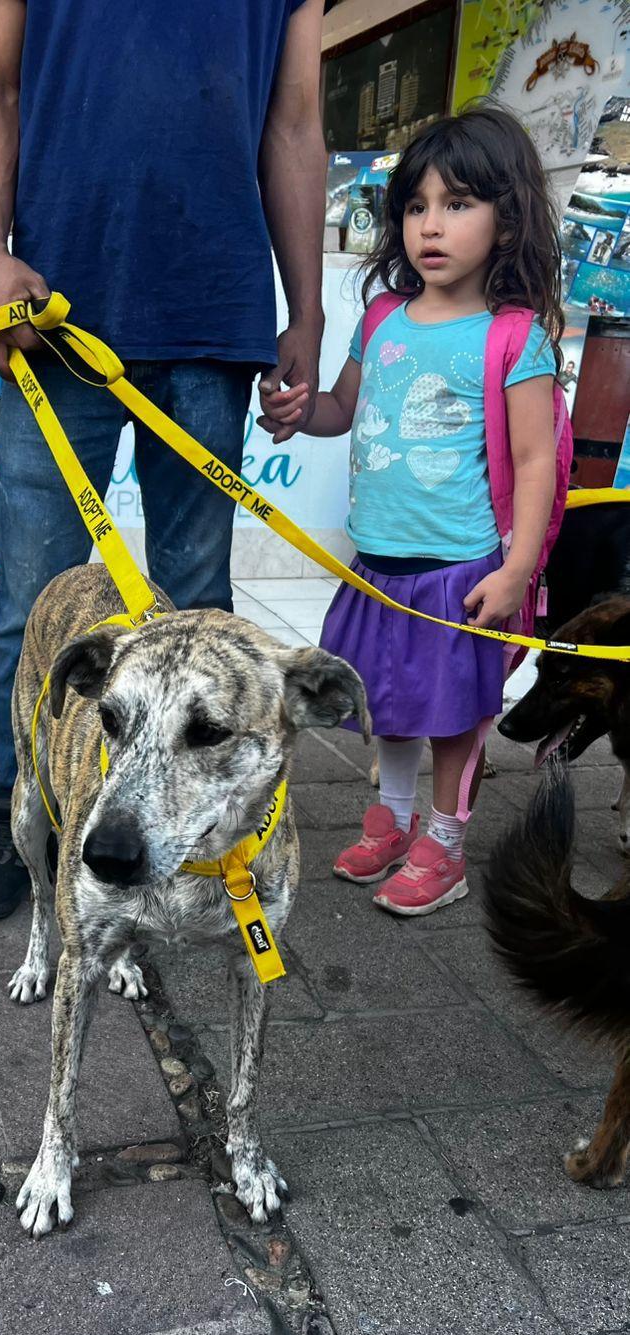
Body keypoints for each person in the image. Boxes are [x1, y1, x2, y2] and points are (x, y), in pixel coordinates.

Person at [0, 0, 327, 920]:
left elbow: (296, 120)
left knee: (199, 601)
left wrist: (306, 310)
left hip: (213, 305)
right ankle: (10, 810)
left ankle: (209, 820)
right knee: (34, 598)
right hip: (50, 308)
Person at [259, 105, 561, 916]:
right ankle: (392, 819)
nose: (432, 225)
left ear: (507, 220)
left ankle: (446, 841)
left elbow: (538, 464)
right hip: (378, 565)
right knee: (388, 704)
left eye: (458, 204)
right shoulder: (385, 316)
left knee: (454, 720)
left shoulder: (513, 337)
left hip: (459, 571)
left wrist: (517, 570)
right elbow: (343, 410)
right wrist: (301, 410)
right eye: (417, 206)